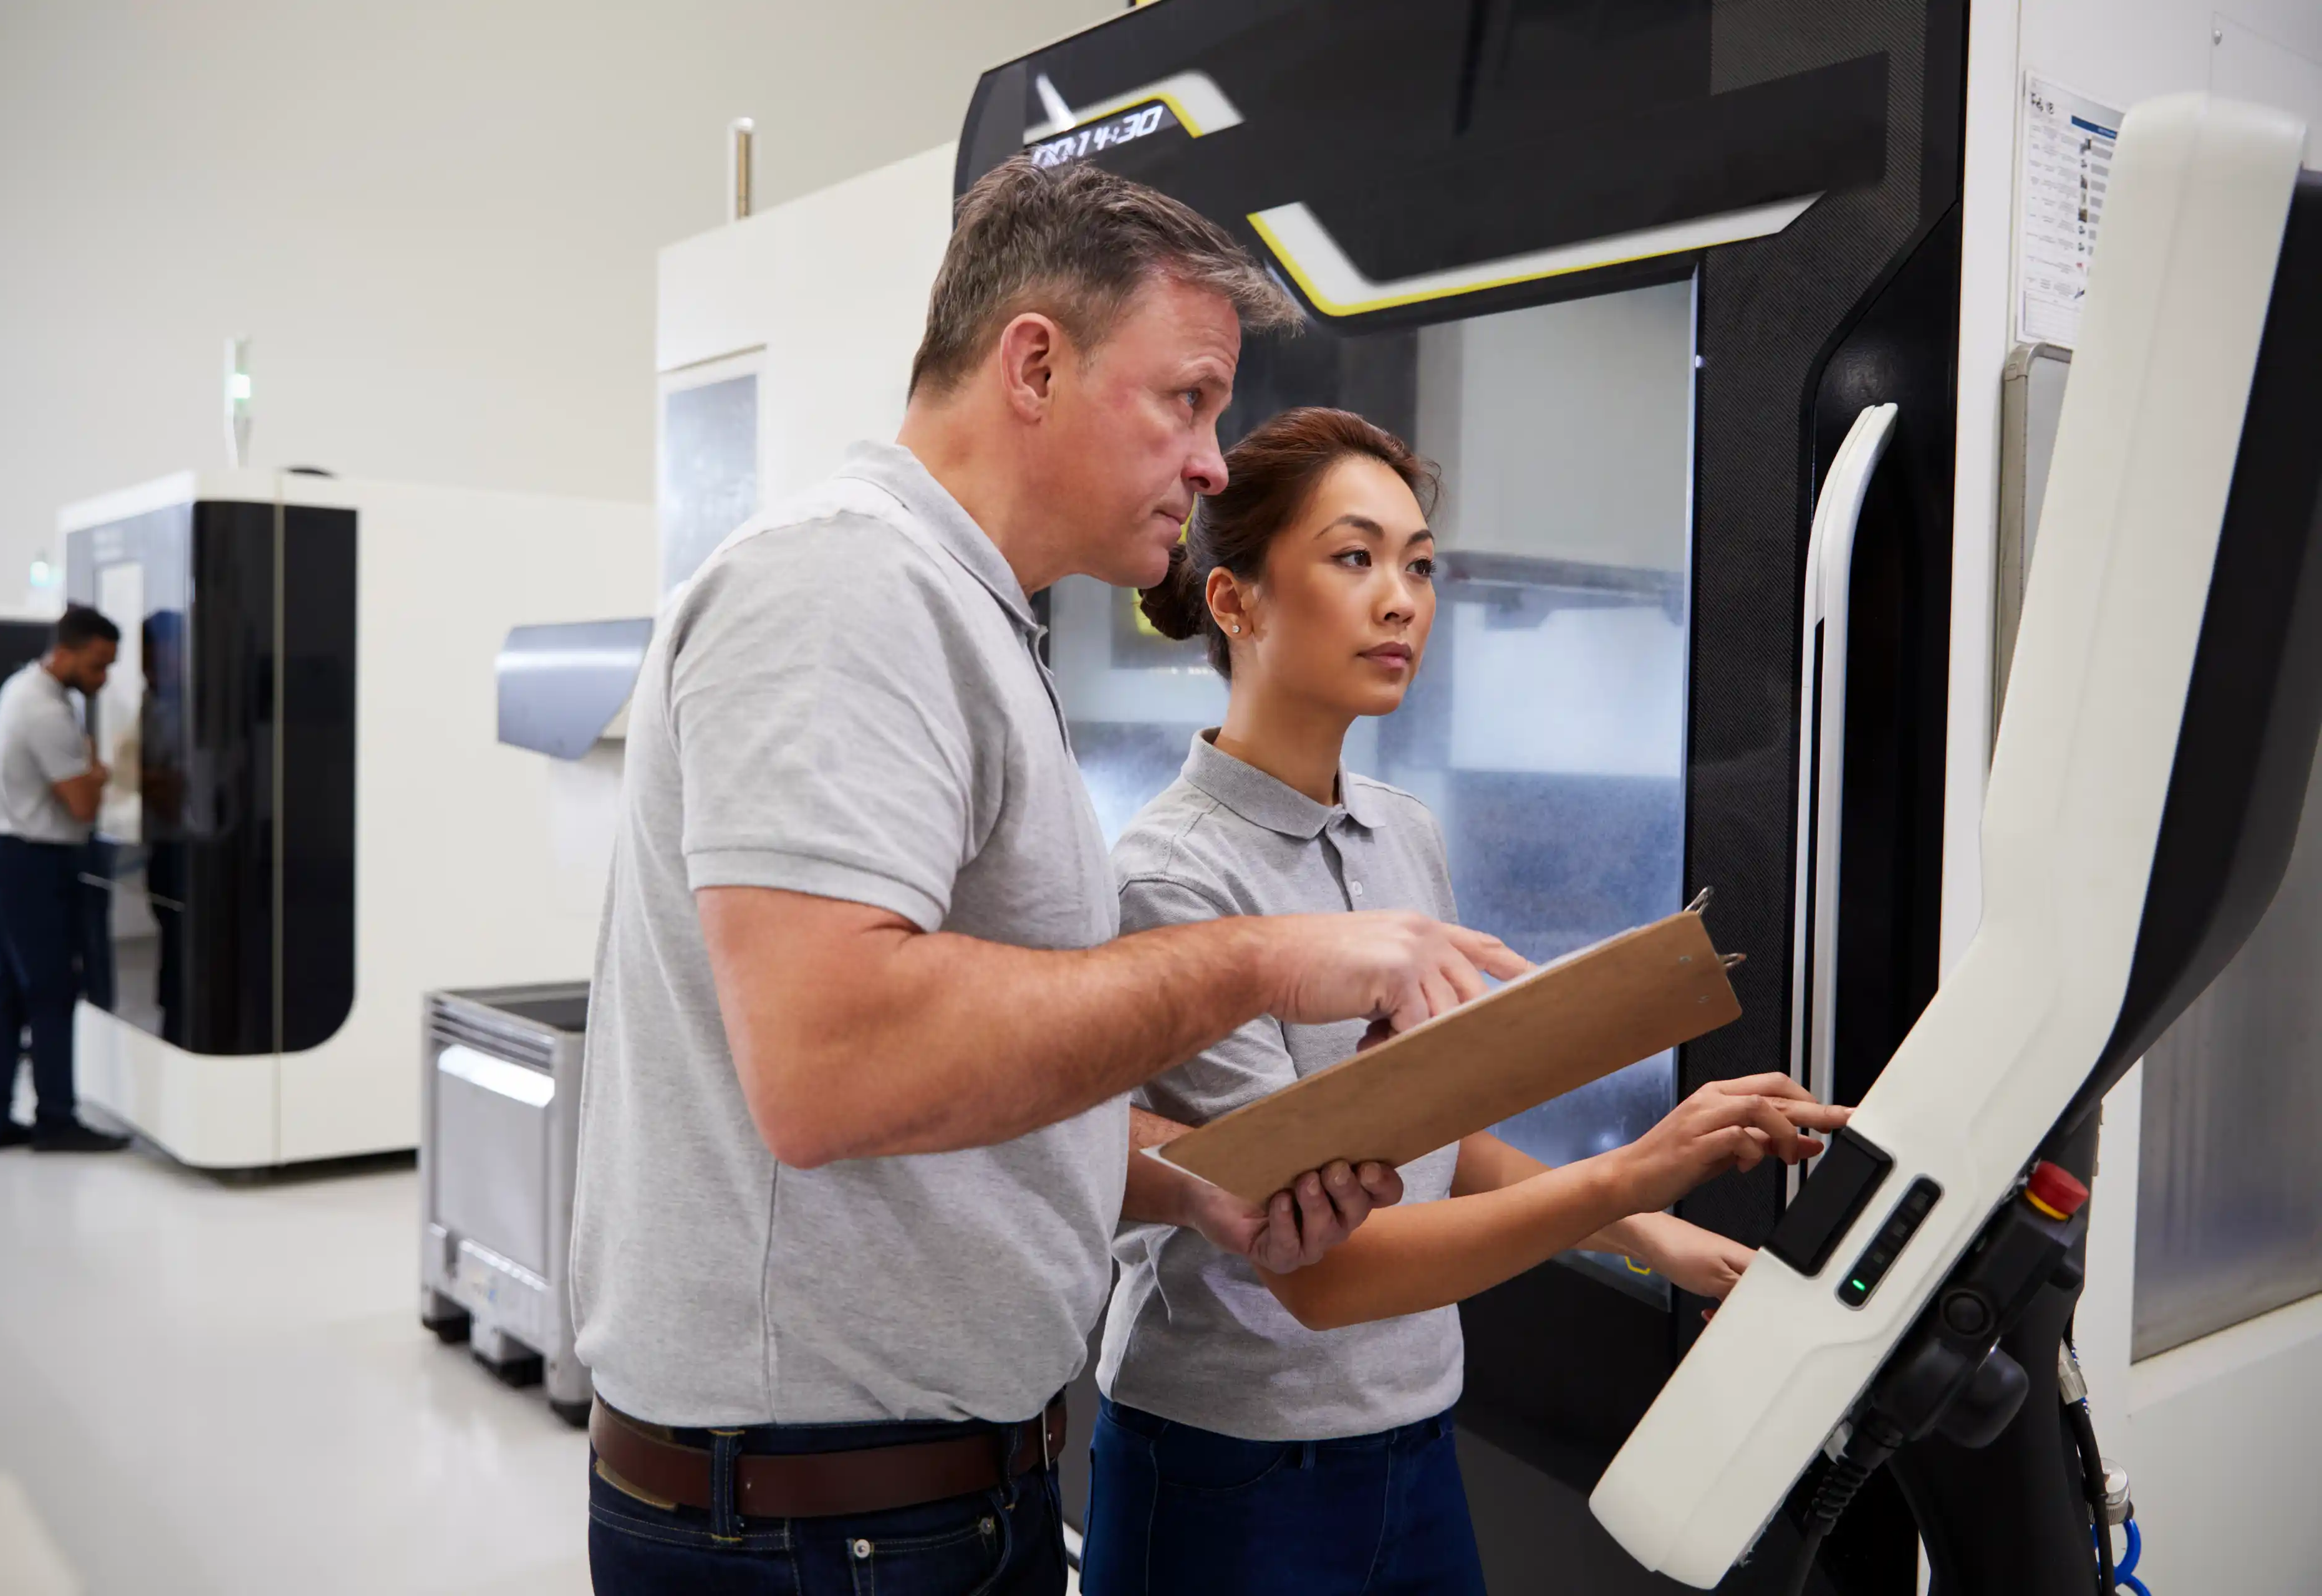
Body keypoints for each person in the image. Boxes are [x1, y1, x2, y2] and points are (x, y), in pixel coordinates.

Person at [569, 155, 1648, 1595]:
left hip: (919, 1498)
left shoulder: (966, 618)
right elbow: (831, 1062)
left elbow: (967, 1094)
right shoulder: (846, 592)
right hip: (820, 1524)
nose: (1210, 459)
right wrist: (1260, 961)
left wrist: (1192, 1184)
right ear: (1032, 364)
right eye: (1185, 398)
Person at [1079, 409, 1850, 1594]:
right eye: (1355, 557)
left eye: (1420, 563)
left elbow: (1441, 1147)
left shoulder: (1405, 834)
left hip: (1417, 1444)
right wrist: (1632, 1173)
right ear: (1234, 603)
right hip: (1229, 1474)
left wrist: (1655, 1237)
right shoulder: (1174, 877)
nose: (1403, 600)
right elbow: (1323, 1269)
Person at [0, 602, 130, 1154]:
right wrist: (99, 775)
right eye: (98, 664)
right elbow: (81, 804)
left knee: (3, 992)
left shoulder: (23, 687)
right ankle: (57, 1118)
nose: (102, 678)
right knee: (51, 989)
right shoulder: (48, 712)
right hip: (28, 861)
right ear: (66, 652)